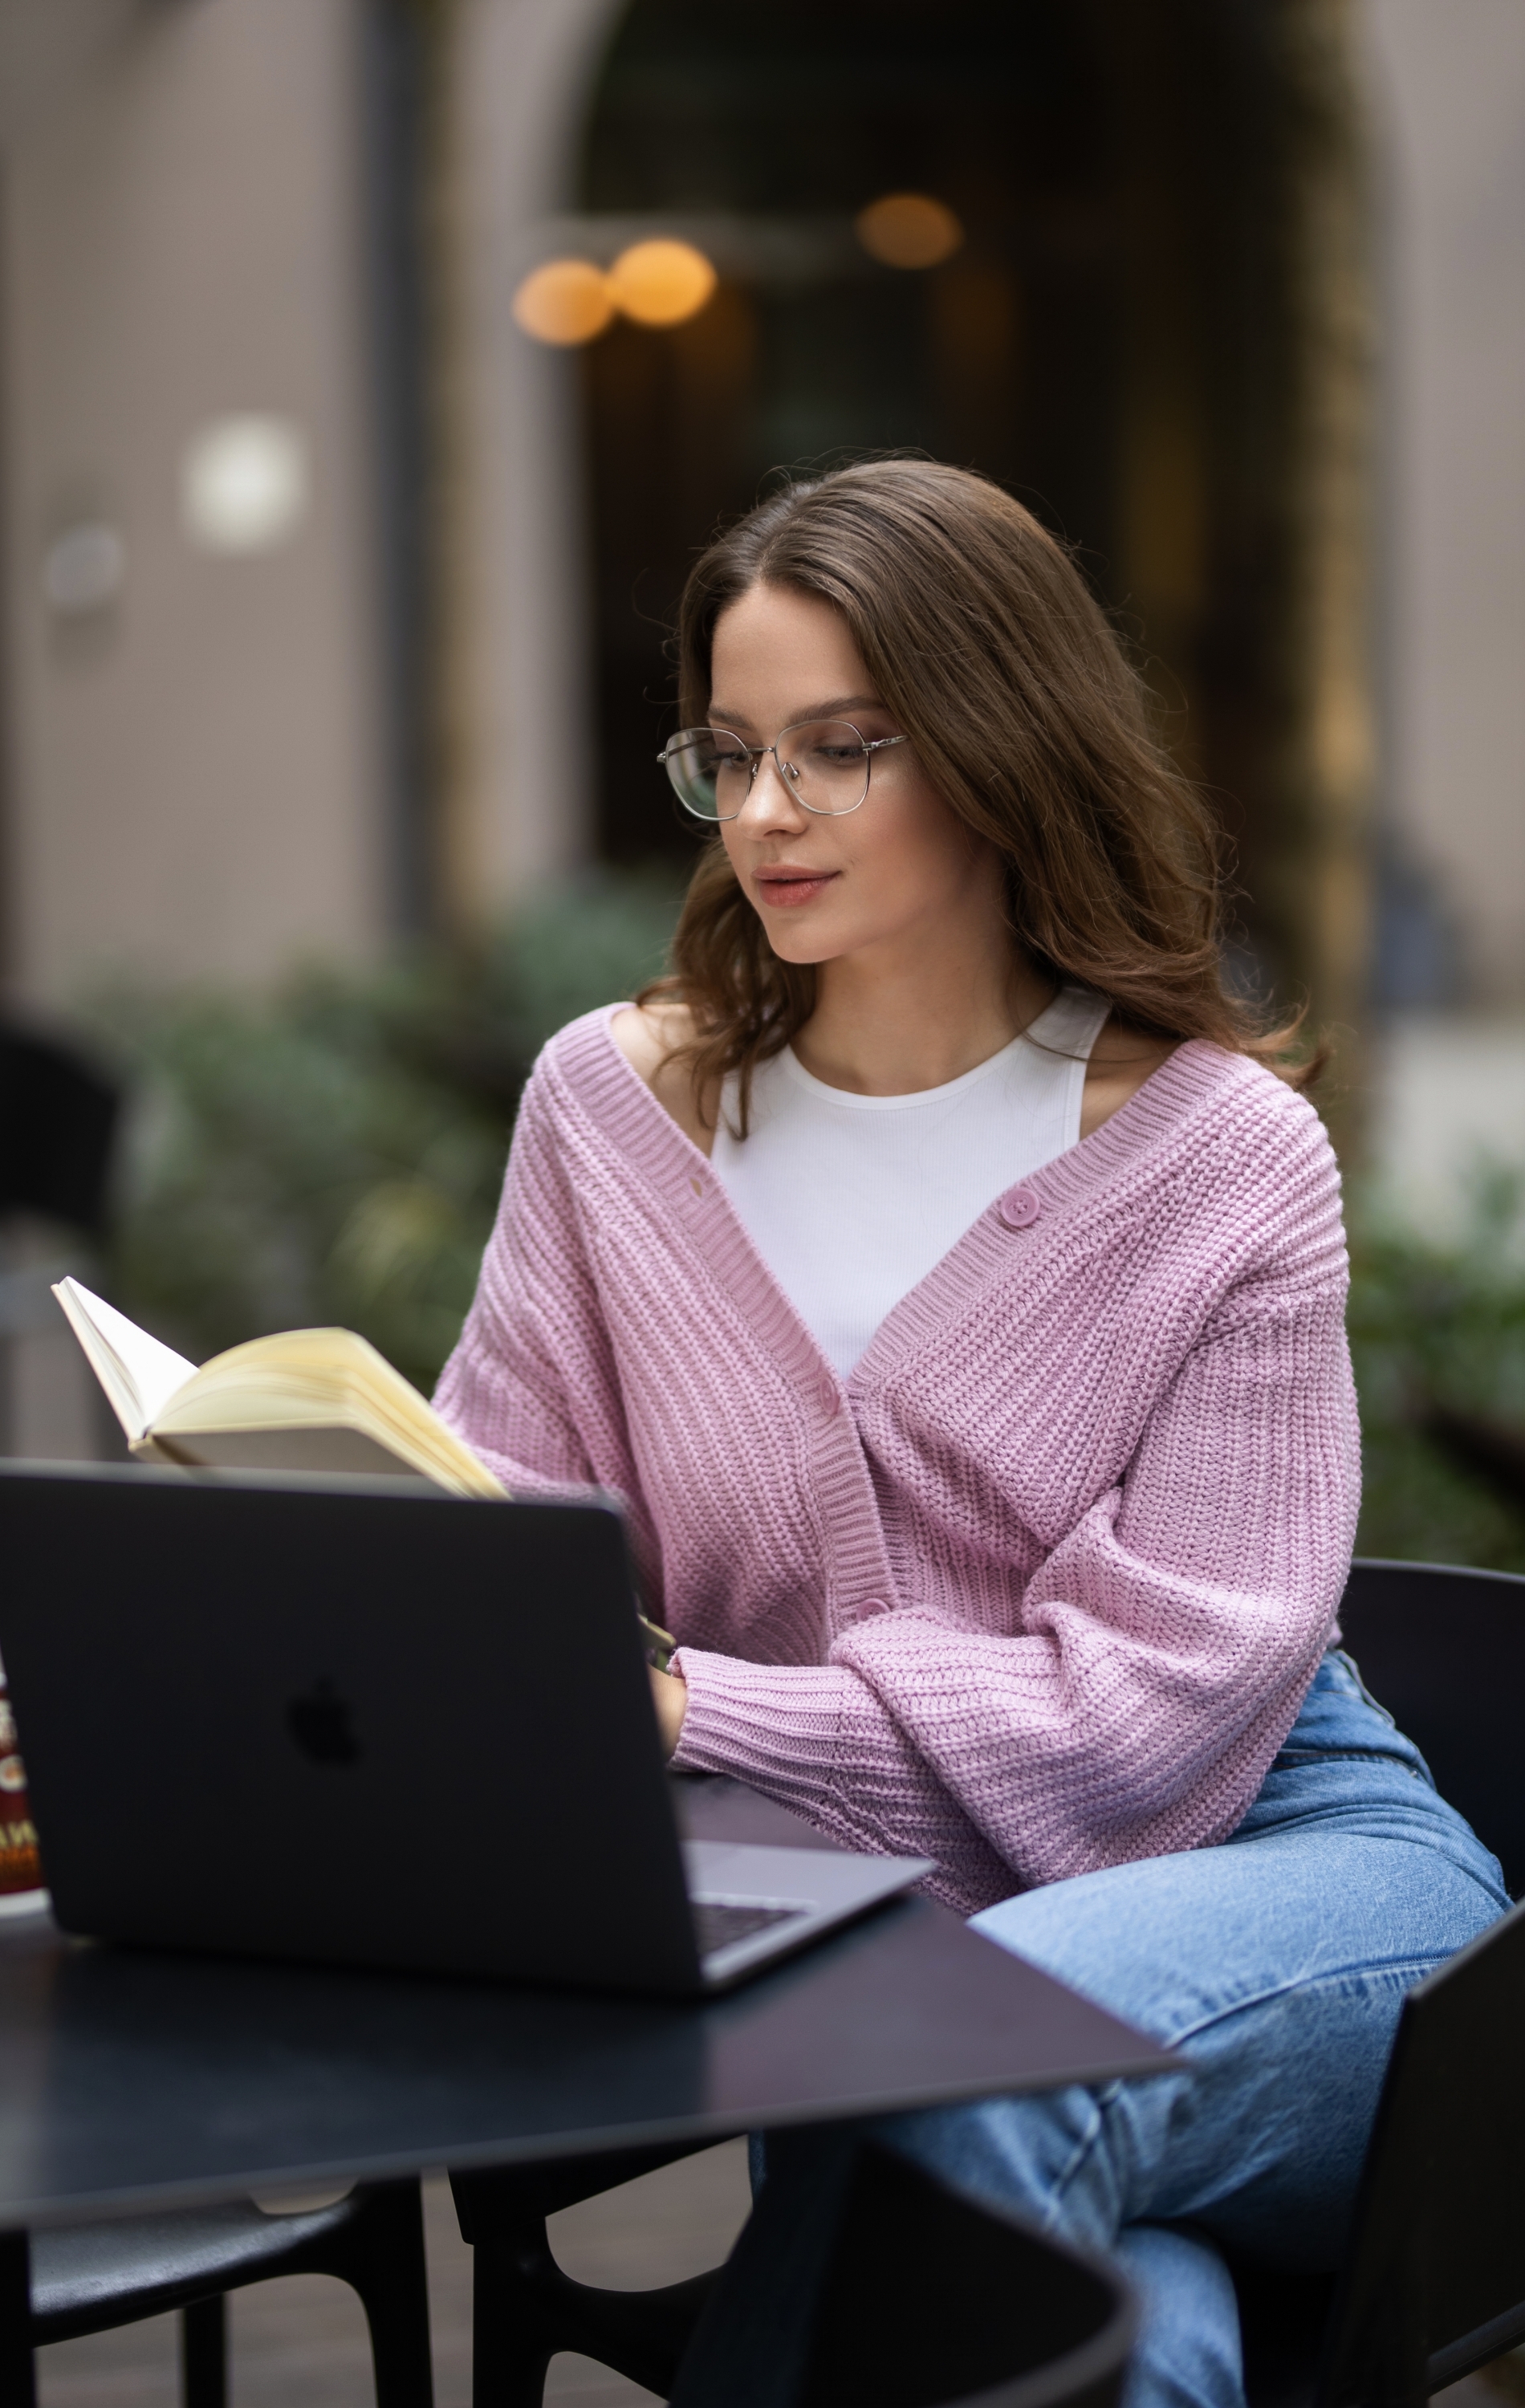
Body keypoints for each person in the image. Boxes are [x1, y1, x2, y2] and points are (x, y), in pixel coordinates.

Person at [433, 460, 1505, 2406]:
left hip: (1285, 1872)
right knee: (1140, 2338)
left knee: (964, 2057)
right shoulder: (608, 1112)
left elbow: (1140, 1734)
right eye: (729, 753)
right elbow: (505, 1542)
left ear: (1004, 742)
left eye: (843, 748)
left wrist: (685, 1712)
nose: (768, 813)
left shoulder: (1218, 1161)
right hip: (873, 1938)